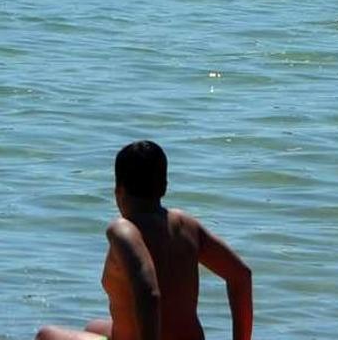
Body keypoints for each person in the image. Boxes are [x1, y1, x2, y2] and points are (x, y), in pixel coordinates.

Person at [36, 140, 253, 340]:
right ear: (164, 186)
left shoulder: (123, 230)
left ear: (118, 190)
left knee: (45, 335)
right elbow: (241, 275)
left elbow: (149, 293)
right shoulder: (186, 225)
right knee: (94, 327)